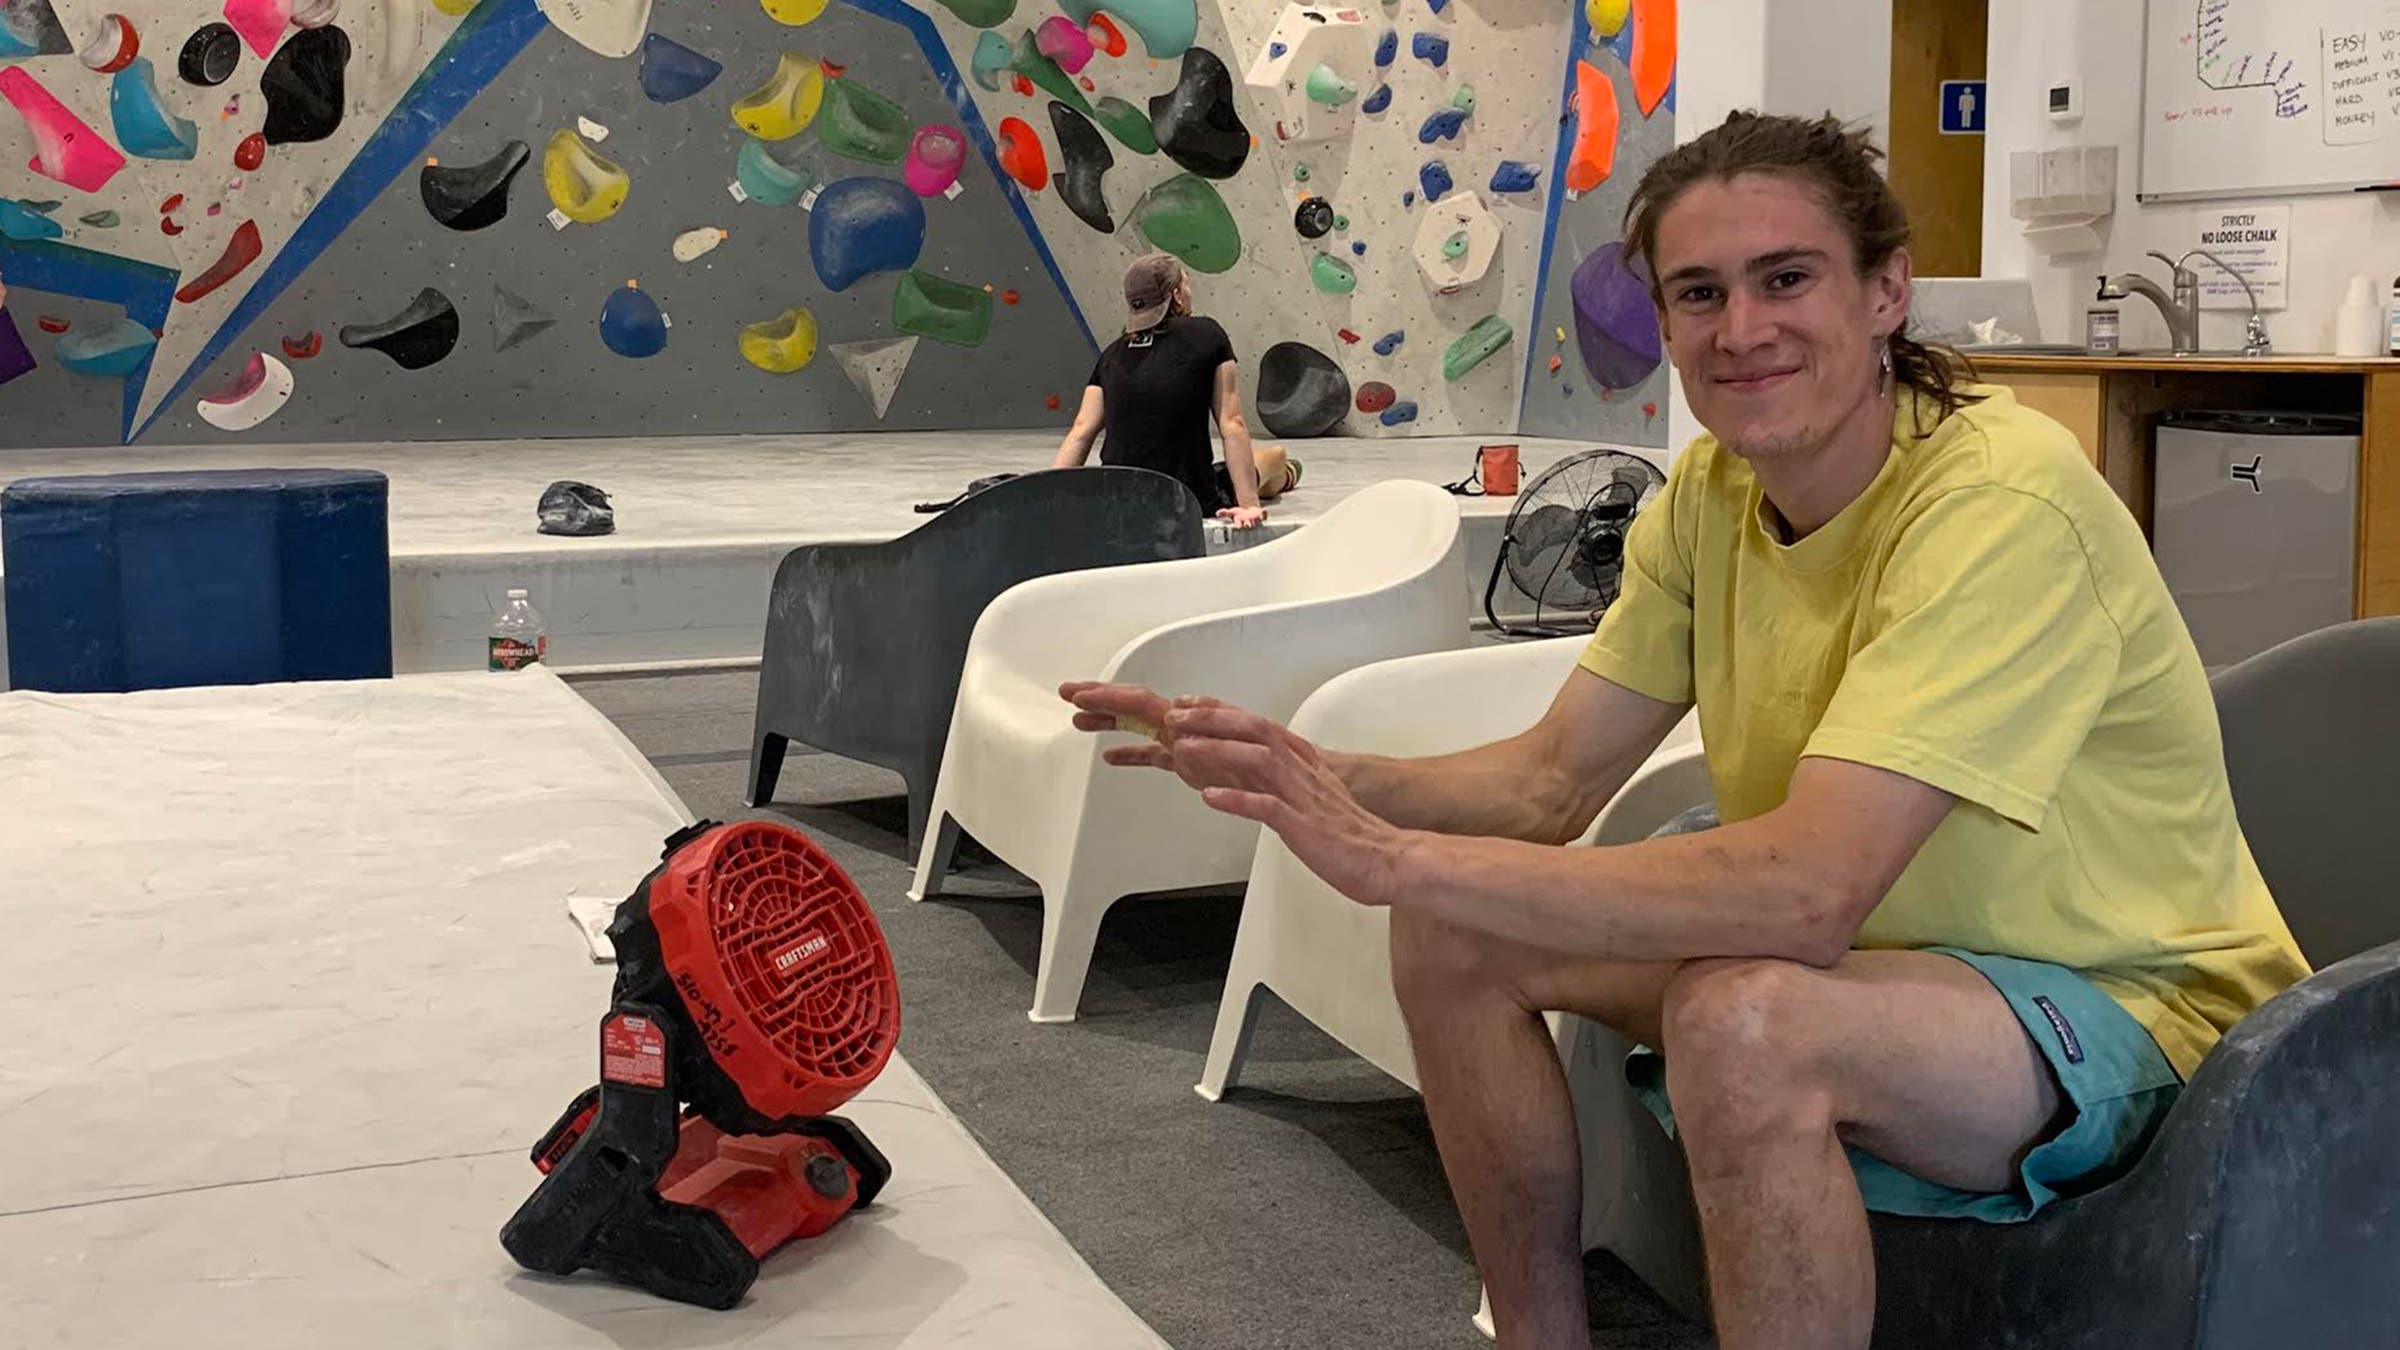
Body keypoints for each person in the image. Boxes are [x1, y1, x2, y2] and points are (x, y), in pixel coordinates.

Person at [1059, 112, 2309, 1349]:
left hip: (2135, 1008)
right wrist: (1306, 773)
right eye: (1700, 293)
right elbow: (1552, 779)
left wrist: (1394, 857)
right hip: (1892, 963)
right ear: (1663, 326)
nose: (1743, 328)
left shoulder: (2003, 501)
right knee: (1457, 934)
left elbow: (1807, 891)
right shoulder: (1712, 496)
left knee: (1745, 1020)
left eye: (1787, 278)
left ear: (1886, 292)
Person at [1051, 253, 1294, 529]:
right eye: (1187, 285)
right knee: (1274, 455)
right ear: (1177, 295)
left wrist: (1047, 498)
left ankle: (1278, 477)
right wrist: (1249, 505)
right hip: (1185, 499)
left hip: (1119, 498)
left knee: (1239, 468)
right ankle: (1286, 475)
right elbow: (1232, 422)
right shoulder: (1207, 334)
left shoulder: (1111, 355)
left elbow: (1081, 431)